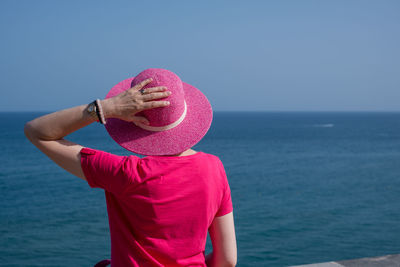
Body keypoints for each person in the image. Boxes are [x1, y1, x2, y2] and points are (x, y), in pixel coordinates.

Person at [24, 68, 237, 267]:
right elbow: (227, 260)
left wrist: (106, 108)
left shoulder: (124, 173)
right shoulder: (214, 168)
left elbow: (37, 132)